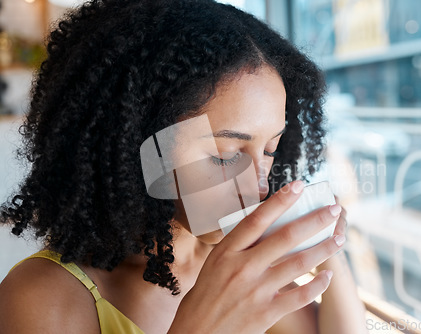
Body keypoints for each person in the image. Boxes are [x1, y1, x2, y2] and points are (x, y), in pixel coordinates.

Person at [0, 0, 367, 333]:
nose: (258, 186)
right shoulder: (42, 297)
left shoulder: (234, 264)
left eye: (271, 149)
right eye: (225, 156)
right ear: (137, 145)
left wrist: (327, 247)